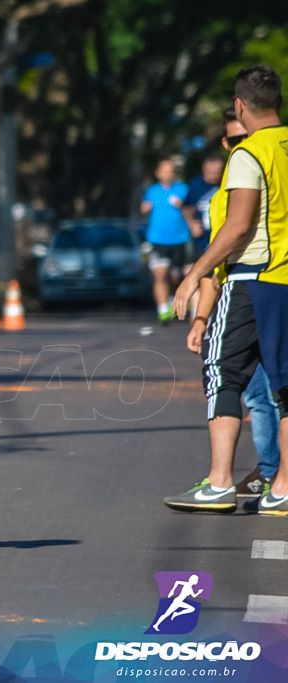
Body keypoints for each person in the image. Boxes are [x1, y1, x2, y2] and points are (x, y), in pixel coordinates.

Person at [172, 64, 288, 515]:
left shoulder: (249, 154)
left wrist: (193, 273)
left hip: (253, 278)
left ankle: (219, 483)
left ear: (240, 106)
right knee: (283, 387)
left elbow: (237, 228)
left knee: (222, 369)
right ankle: (282, 488)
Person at [141, 158, 190, 323]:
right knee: (160, 275)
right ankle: (162, 310)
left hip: (179, 239)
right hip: (157, 239)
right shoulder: (152, 191)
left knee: (176, 277)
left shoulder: (183, 189)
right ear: (158, 173)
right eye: (164, 170)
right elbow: (144, 209)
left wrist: (182, 206)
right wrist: (144, 209)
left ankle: (171, 301)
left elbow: (191, 210)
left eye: (170, 170)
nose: (168, 173)